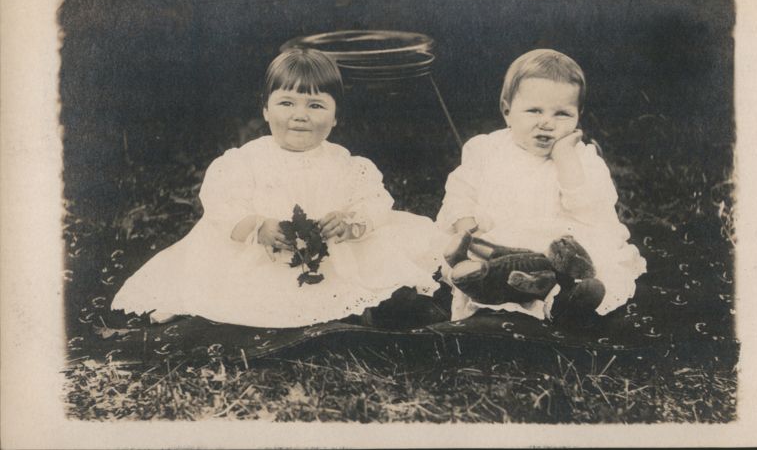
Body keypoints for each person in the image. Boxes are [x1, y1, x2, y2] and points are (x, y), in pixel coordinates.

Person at [111, 48, 441, 328]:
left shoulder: (346, 163)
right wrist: (256, 225)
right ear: (266, 110)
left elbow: (374, 199)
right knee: (226, 291)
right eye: (287, 104)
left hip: (333, 255)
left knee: (388, 260)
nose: (300, 116)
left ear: (336, 116)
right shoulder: (246, 160)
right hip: (261, 255)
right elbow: (221, 202)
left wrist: (350, 222)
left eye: (316, 106)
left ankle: (373, 304)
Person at [436, 49, 646, 323]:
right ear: (507, 111)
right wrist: (465, 224)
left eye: (562, 114)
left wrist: (565, 158)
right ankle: (489, 296)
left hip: (555, 245)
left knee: (581, 268)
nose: (547, 123)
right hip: (496, 241)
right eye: (534, 110)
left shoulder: (581, 158)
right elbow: (461, 189)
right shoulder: (486, 150)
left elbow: (589, 210)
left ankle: (565, 302)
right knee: (485, 266)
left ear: (578, 116)